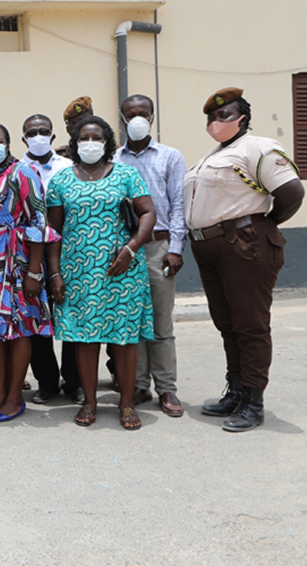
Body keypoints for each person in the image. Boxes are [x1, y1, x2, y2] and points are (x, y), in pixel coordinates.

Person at [186, 88, 304, 432]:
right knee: (228, 325)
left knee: (250, 326)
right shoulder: (212, 155)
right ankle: (236, 391)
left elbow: (292, 192)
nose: (215, 122)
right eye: (211, 117)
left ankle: (254, 402)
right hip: (209, 246)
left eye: (224, 115)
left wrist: (260, 224)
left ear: (242, 118)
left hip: (244, 244)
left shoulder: (258, 147)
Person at [45, 116, 156, 430]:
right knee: (84, 338)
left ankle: (126, 404)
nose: (89, 143)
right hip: (77, 273)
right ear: (75, 144)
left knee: (124, 339)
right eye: (84, 138)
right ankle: (89, 402)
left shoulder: (126, 174)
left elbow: (147, 212)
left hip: (122, 270)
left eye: (96, 137)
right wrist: (54, 273)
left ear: (107, 142)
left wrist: (131, 248)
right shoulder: (62, 180)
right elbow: (53, 231)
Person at [0, 121, 59, 422]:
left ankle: (16, 397)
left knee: (19, 330)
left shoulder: (23, 174)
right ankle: (1, 393)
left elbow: (39, 225)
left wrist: (34, 273)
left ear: (7, 144)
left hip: (16, 265)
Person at [116, 94, 188, 418]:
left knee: (160, 321)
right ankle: (138, 385)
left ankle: (167, 387)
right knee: (132, 321)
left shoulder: (170, 157)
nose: (137, 119)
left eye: (143, 113)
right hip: (126, 249)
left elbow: (178, 205)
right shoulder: (114, 160)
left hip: (158, 246)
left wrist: (175, 248)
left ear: (153, 117)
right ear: (122, 118)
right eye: (131, 114)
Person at [19, 114, 82, 406]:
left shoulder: (69, 168)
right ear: (23, 139)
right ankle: (46, 381)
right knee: (35, 316)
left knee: (70, 315)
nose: (38, 135)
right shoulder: (16, 170)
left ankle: (74, 380)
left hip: (66, 251)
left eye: (44, 131)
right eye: (32, 132)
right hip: (28, 253)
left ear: (54, 137)